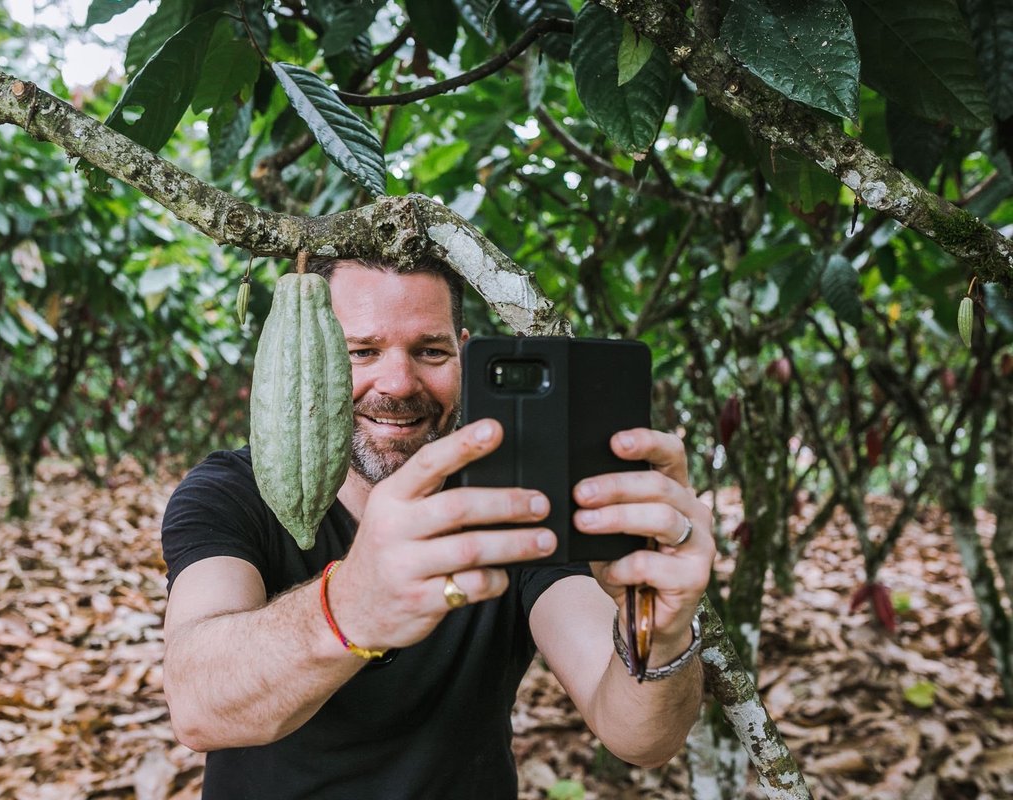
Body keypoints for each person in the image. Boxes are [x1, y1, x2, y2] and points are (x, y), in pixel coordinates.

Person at [160, 256, 715, 799]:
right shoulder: (233, 491)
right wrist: (350, 605)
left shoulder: (515, 505)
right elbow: (198, 706)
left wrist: (659, 633)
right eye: (361, 351)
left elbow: (639, 738)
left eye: (430, 351)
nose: (399, 383)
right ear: (316, 357)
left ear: (465, 357)